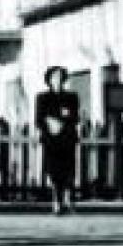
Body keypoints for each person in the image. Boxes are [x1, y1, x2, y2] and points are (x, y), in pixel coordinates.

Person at [35, 65, 80, 214]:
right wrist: (51, 122)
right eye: (55, 77)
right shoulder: (43, 98)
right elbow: (39, 120)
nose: (58, 80)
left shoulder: (71, 97)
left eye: (61, 77)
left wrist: (62, 122)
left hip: (67, 139)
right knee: (53, 172)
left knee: (68, 171)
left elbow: (74, 117)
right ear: (49, 80)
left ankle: (68, 197)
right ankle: (57, 200)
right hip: (51, 140)